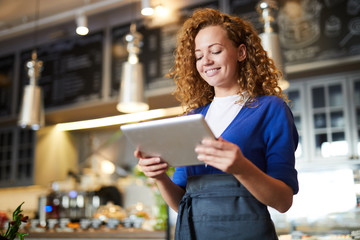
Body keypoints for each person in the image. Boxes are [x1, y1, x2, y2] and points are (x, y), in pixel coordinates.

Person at [135, 8, 298, 240]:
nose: (206, 61)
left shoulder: (270, 109)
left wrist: (241, 167)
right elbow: (182, 203)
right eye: (199, 56)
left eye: (216, 51)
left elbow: (283, 201)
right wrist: (160, 177)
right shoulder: (192, 119)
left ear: (241, 52)